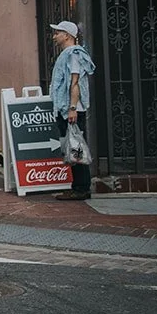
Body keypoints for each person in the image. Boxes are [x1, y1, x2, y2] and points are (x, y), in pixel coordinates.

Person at [49, 20, 96, 202]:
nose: (54, 37)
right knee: (71, 147)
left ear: (67, 35)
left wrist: (72, 108)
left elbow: (74, 82)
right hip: (66, 109)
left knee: (76, 148)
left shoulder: (74, 54)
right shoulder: (67, 54)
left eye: (57, 33)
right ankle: (77, 186)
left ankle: (81, 188)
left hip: (72, 110)